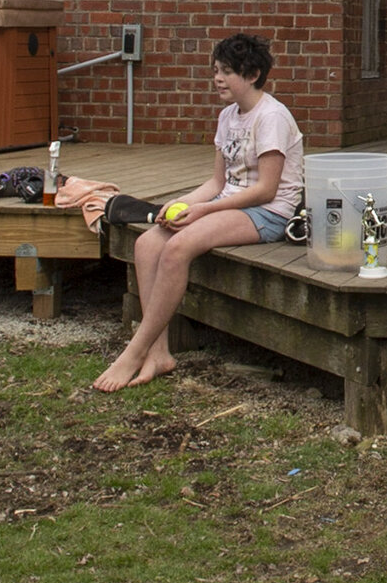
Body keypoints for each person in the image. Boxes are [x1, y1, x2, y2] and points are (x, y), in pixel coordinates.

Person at [96, 33, 303, 393]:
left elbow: (266, 189)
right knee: (147, 244)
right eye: (215, 70)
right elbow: (216, 181)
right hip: (229, 204)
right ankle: (159, 352)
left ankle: (134, 350)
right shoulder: (227, 117)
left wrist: (205, 211)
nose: (217, 78)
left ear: (252, 74)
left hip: (269, 212)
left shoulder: (272, 117)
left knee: (178, 248)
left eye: (226, 71)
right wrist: (176, 206)